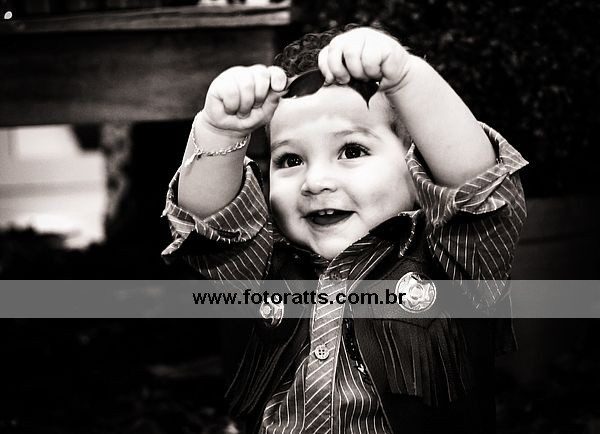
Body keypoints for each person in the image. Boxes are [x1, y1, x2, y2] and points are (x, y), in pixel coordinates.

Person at [162, 25, 528, 434]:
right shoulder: (262, 264)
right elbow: (211, 227)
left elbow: (475, 186)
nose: (315, 182)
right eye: (290, 160)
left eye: (352, 151)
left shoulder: (454, 259)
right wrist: (220, 132)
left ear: (417, 165)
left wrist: (406, 76)